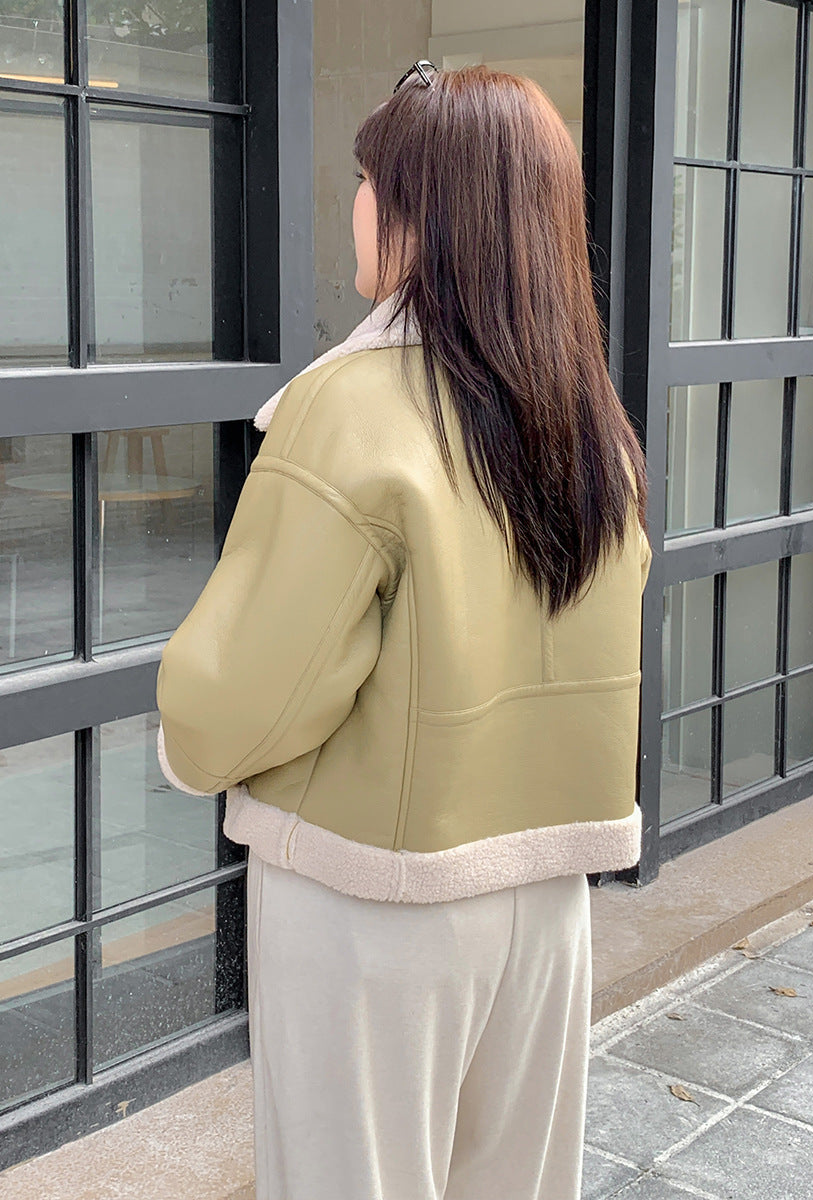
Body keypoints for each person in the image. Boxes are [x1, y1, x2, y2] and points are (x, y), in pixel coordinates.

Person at [156, 60, 650, 1200]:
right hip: (548, 897)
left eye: (367, 180)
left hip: (370, 900)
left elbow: (243, 693)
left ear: (423, 214)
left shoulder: (353, 407)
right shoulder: (590, 421)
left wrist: (187, 748)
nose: (355, 205)